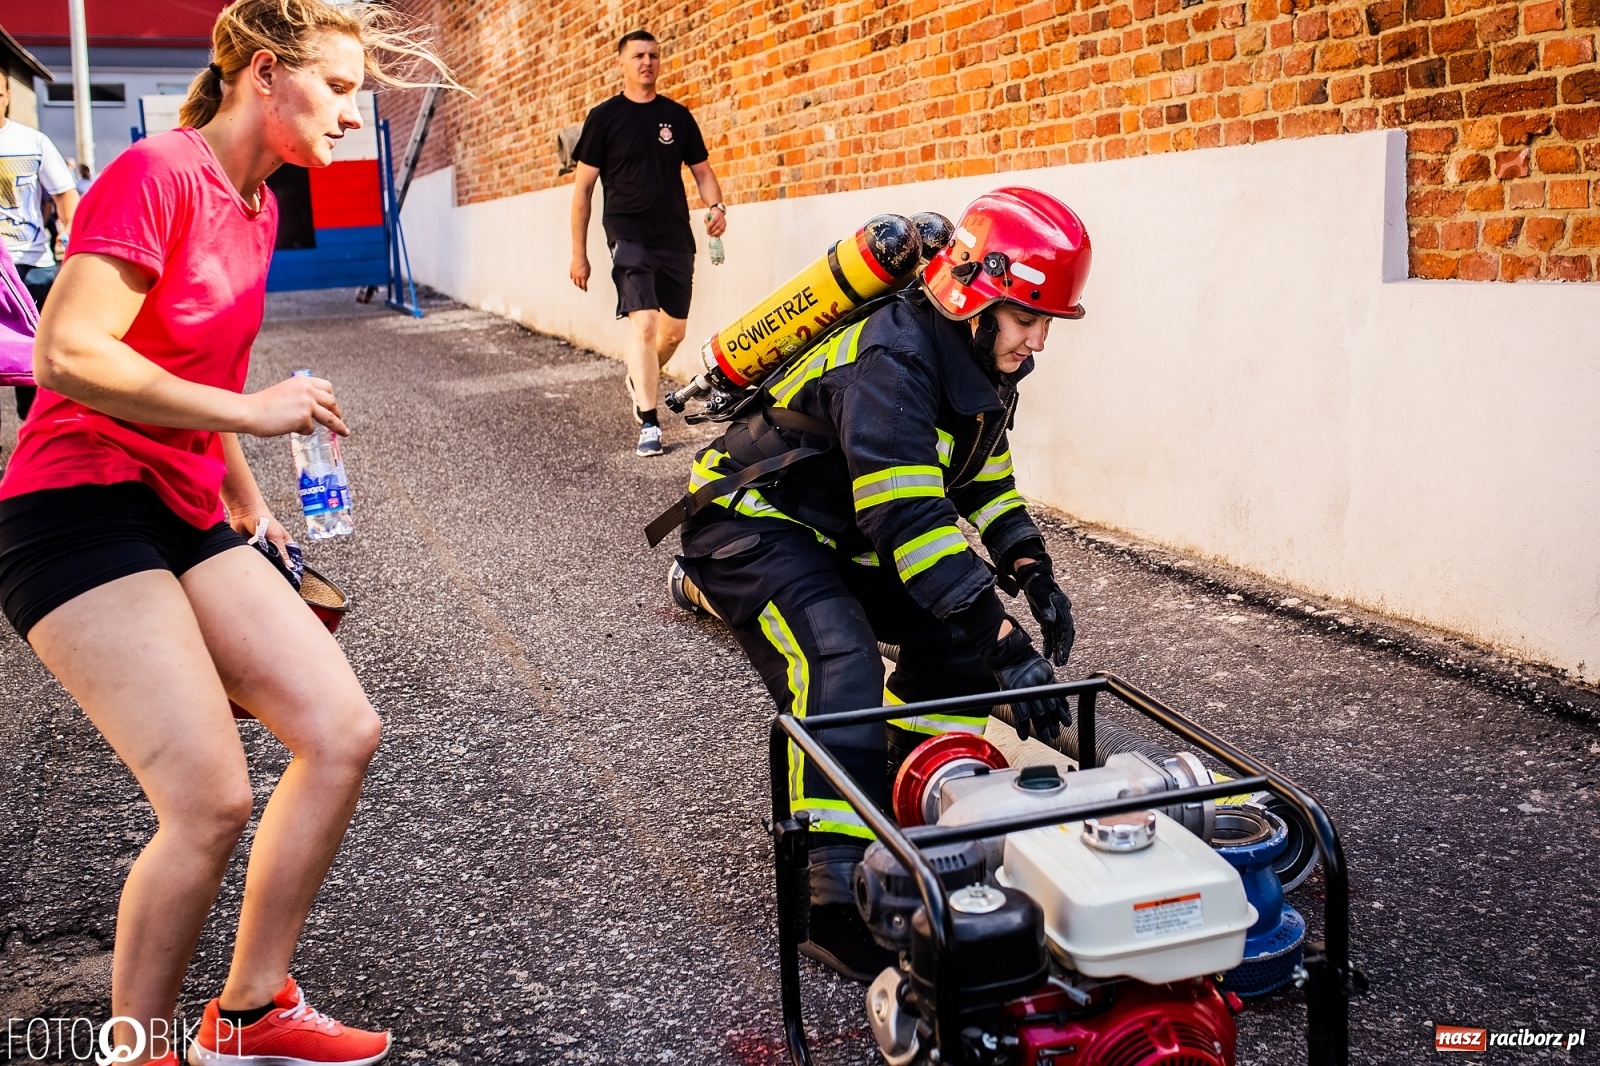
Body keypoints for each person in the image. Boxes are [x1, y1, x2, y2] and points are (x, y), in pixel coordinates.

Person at [0, 2, 452, 1064]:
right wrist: (256, 410)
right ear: (264, 72)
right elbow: (68, 351)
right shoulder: (158, 171)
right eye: (338, 86)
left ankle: (249, 1013)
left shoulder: (254, 202)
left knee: (340, 731)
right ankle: (140, 1049)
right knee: (208, 799)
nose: (355, 111)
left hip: (185, 497)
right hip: (74, 505)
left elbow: (194, 378)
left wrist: (249, 500)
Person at [673, 188, 1090, 982]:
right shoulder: (892, 358)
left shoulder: (980, 357)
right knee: (838, 658)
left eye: (1045, 323)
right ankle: (830, 897)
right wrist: (1005, 641)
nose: (1037, 342)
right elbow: (907, 520)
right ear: (980, 295)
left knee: (951, 638)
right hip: (751, 521)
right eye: (1029, 319)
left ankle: (901, 775)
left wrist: (1031, 569)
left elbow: (981, 477)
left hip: (839, 528)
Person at [568, 29, 727, 458]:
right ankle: (650, 422)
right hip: (627, 233)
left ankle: (640, 378)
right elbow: (582, 190)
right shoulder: (604, 118)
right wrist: (579, 253)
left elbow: (703, 172)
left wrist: (716, 207)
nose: (647, 62)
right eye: (638, 55)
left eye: (654, 56)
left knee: (673, 333)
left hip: (674, 234)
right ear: (621, 63)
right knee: (644, 323)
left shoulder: (677, 116)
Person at [0, 75, 79, 422]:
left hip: (33, 267)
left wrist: (71, 234)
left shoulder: (32, 140)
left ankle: (35, 445)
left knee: (36, 362)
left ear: (5, 96)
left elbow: (64, 192)